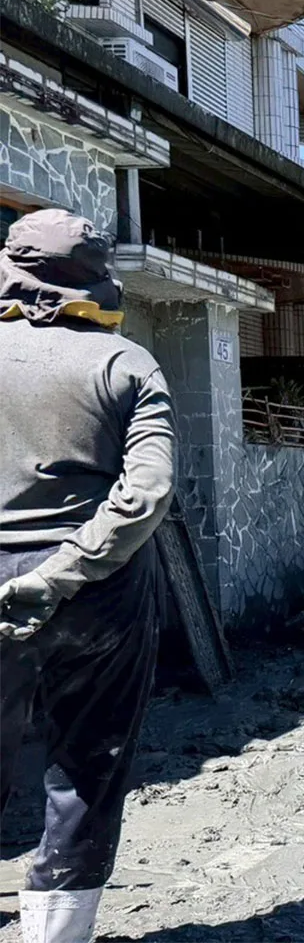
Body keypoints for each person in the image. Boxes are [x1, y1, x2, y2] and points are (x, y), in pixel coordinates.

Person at [0, 210, 175, 943]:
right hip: (98, 594)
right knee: (87, 762)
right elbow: (148, 491)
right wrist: (61, 573)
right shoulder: (127, 363)